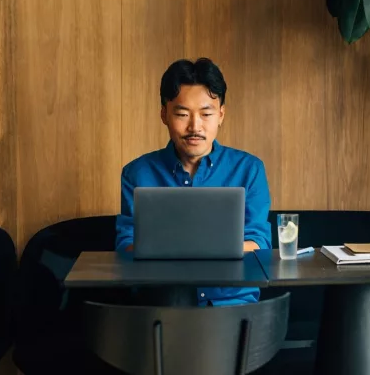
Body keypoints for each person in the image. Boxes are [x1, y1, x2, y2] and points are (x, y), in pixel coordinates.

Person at [115, 58, 272, 306]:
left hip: (230, 306)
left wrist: (178, 251)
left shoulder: (248, 170)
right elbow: (127, 245)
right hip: (163, 307)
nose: (194, 126)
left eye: (206, 113)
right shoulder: (137, 173)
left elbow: (258, 243)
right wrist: (211, 250)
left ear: (221, 114)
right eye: (182, 114)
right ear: (164, 114)